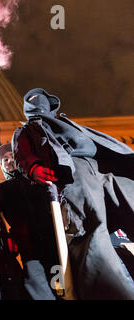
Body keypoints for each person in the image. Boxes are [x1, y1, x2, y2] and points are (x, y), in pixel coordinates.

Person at [12, 88, 134, 299]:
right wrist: (34, 168)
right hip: (74, 169)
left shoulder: (64, 122)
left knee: (129, 201)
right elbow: (22, 154)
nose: (39, 104)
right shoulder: (27, 129)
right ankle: (110, 292)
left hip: (103, 165)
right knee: (91, 223)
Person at [0, 143, 59, 300]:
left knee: (60, 285)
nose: (9, 161)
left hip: (53, 243)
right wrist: (8, 237)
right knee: (36, 285)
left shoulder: (39, 181)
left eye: (12, 157)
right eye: (5, 160)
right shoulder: (0, 190)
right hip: (28, 246)